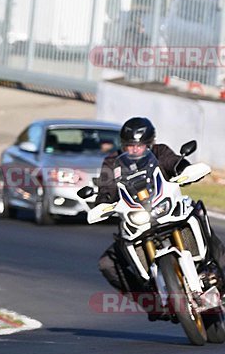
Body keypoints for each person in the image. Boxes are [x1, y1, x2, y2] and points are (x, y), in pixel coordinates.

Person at [95, 117, 225, 317]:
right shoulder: (112, 163)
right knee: (107, 263)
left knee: (198, 214)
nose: (134, 150)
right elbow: (106, 189)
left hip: (168, 208)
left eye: (140, 146)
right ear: (122, 145)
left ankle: (217, 269)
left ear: (150, 143)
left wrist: (185, 170)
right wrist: (102, 203)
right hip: (138, 219)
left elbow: (175, 164)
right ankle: (151, 301)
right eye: (129, 146)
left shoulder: (160, 151)